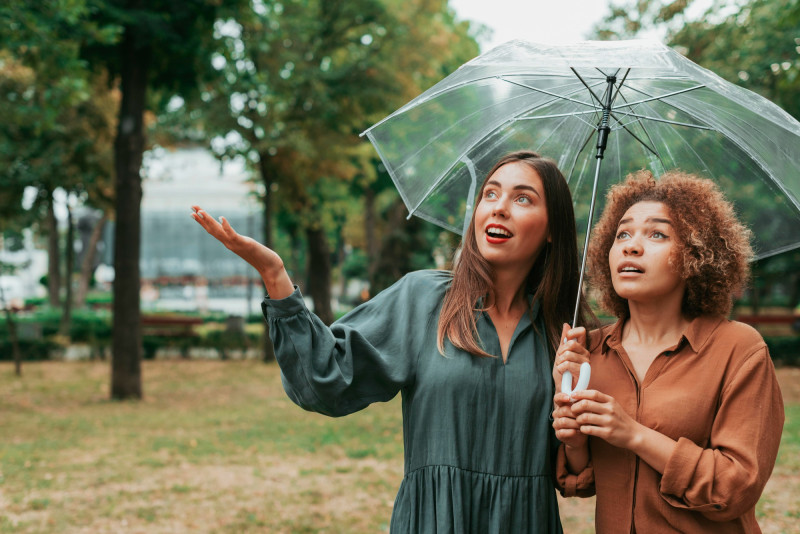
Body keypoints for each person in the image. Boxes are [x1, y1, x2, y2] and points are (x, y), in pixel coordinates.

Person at [192, 150, 593, 533]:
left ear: (552, 230)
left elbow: (577, 474)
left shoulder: (566, 335)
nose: (499, 207)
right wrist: (275, 274)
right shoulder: (424, 300)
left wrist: (573, 422)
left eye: (523, 198)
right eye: (490, 193)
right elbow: (324, 378)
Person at [551, 170, 785, 533]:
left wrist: (634, 435)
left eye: (657, 234)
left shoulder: (740, 349)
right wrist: (576, 442)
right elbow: (582, 483)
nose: (631, 246)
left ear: (696, 254)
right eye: (622, 234)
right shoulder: (588, 354)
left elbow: (736, 488)